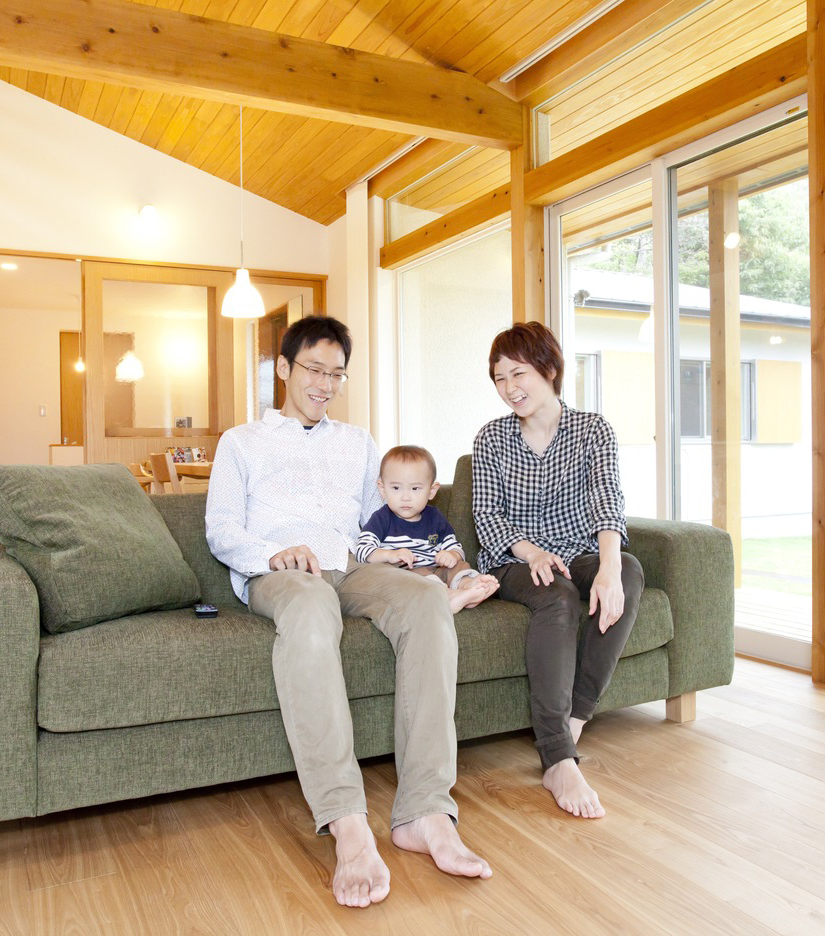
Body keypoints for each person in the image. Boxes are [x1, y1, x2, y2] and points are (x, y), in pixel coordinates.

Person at [205, 316, 491, 909]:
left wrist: (431, 564)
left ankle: (426, 812)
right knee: (310, 608)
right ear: (283, 369)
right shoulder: (241, 442)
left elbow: (380, 519)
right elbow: (220, 530)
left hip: (352, 565)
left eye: (336, 374)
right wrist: (273, 552)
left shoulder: (358, 442)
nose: (325, 384)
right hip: (281, 571)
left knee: (426, 603)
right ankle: (346, 821)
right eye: (314, 369)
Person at [472, 321, 644, 820]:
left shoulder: (592, 429)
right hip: (515, 559)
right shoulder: (492, 439)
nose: (509, 389)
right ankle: (557, 757)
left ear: (549, 369)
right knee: (561, 596)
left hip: (577, 548)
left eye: (518, 374)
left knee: (628, 572)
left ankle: (573, 719)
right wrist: (532, 553)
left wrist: (609, 567)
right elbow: (487, 517)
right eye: (499, 379)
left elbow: (607, 500)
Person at [356, 445, 499, 613]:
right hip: (404, 576)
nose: (405, 497)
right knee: (417, 578)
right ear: (382, 489)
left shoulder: (435, 517)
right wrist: (390, 555)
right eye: (396, 488)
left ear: (431, 491)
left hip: (435, 572)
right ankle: (448, 596)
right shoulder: (381, 518)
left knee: (458, 565)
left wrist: (451, 555)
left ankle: (468, 584)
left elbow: (455, 546)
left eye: (415, 488)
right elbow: (362, 550)